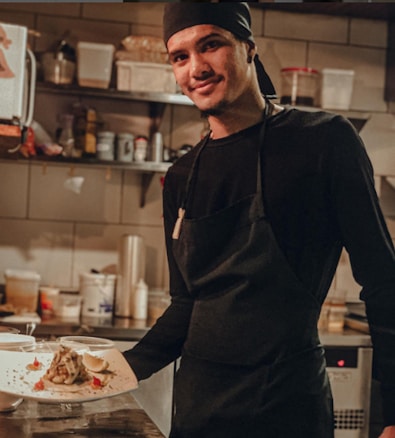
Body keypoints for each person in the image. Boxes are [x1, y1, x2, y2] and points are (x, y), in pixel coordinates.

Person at [123, 3, 395, 437]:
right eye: (180, 56)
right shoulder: (181, 175)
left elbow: (383, 281)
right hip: (198, 407)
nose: (196, 67)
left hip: (285, 405)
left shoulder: (324, 143)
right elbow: (187, 304)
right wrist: (111, 372)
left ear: (249, 48)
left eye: (210, 45)